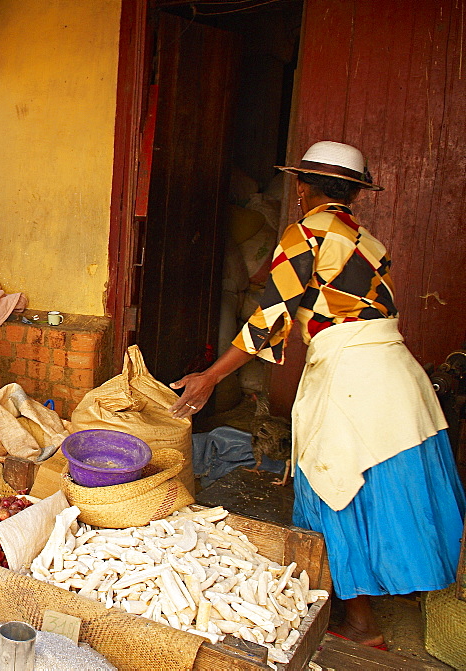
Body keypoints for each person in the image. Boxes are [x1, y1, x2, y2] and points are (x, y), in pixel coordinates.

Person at [168, 141, 466, 649]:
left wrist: (211, 377)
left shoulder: (307, 231)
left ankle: (361, 625)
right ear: (353, 191)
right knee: (385, 483)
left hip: (353, 379)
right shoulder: (368, 241)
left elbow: (270, 317)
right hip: (397, 377)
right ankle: (398, 588)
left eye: (299, 185)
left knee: (337, 481)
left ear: (303, 188)